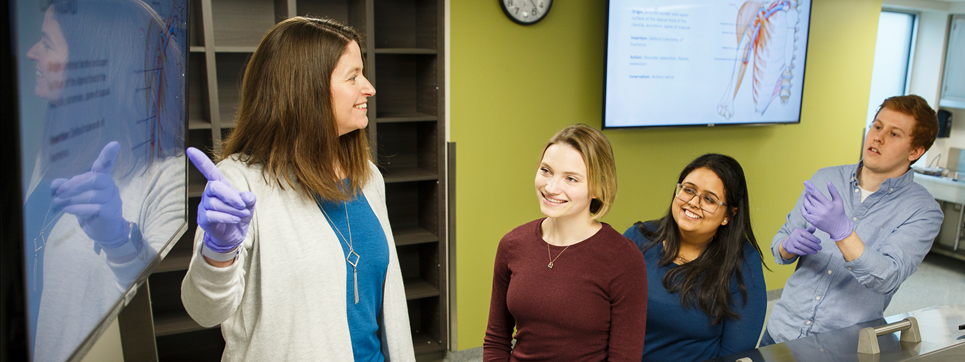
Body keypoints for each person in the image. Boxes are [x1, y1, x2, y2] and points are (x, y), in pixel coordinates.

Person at [180, 17, 415, 361]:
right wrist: (218, 252)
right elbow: (205, 311)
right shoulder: (240, 183)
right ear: (306, 91)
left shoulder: (367, 177)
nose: (369, 88)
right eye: (353, 77)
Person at [20, 1, 186, 360]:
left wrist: (118, 241)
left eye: (47, 43)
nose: (31, 52)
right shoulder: (54, 151)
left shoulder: (167, 178)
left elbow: (156, 310)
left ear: (94, 64)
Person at [761, 94, 943, 345]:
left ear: (916, 151)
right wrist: (787, 246)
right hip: (781, 332)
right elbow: (779, 246)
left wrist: (843, 233)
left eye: (893, 134)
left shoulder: (923, 211)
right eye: (877, 126)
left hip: (841, 346)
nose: (878, 137)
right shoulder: (826, 178)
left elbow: (887, 278)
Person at [484, 124, 648, 362]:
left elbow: (625, 357)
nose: (551, 188)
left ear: (598, 189)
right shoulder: (512, 244)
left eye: (571, 178)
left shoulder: (623, 258)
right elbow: (496, 339)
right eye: (546, 170)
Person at [623, 154, 767, 361]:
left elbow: (734, 353)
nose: (692, 202)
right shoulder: (638, 238)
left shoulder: (742, 263)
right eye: (688, 190)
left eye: (709, 199)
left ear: (729, 215)